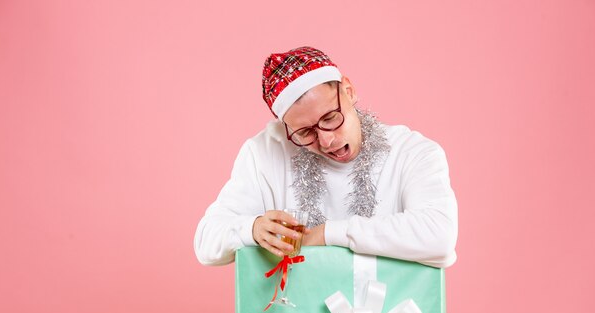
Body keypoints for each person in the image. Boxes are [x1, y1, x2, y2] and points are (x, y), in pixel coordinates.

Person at [194, 46, 458, 268]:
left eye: (330, 118)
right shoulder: (263, 152)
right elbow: (205, 242)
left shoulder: (412, 151)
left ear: (349, 90)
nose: (326, 140)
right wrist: (251, 229)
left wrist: (326, 234)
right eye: (305, 132)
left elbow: (439, 235)